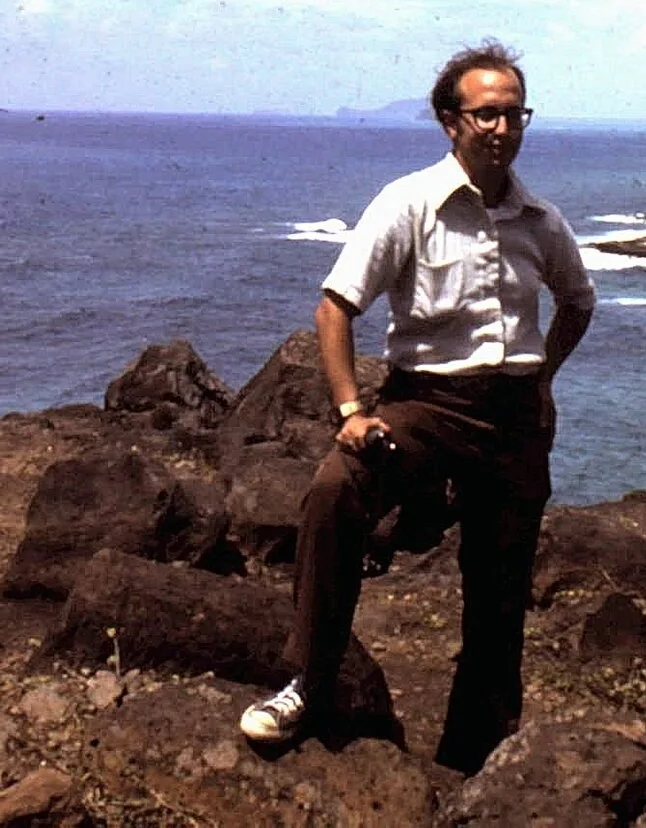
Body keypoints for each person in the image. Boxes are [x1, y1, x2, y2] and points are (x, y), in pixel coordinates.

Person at [239, 42, 595, 773]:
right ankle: (308, 680)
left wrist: (545, 378)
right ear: (449, 121)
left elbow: (578, 301)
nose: (502, 127)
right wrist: (347, 409)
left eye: (513, 113)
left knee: (500, 584)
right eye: (486, 113)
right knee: (337, 491)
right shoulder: (407, 203)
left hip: (515, 417)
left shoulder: (540, 220)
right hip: (428, 405)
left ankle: (477, 751)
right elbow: (336, 307)